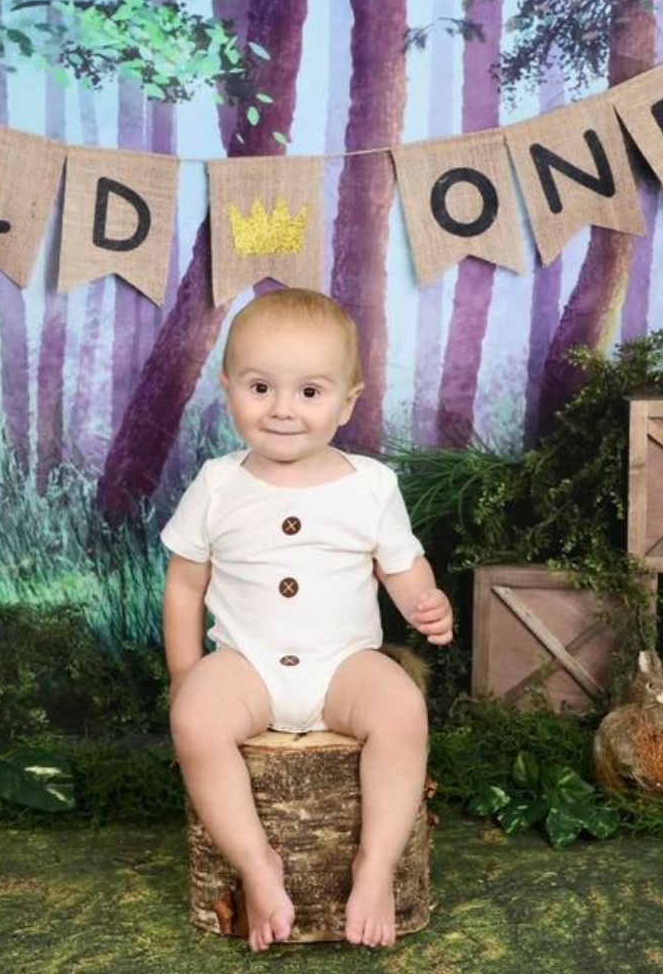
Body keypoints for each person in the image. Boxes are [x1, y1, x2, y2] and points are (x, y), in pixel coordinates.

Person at [162, 287, 453, 951]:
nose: (283, 410)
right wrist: (186, 674)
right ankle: (256, 863)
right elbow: (185, 584)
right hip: (248, 667)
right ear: (227, 387)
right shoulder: (217, 484)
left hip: (341, 666)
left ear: (349, 400)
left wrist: (423, 602)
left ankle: (374, 865)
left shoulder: (369, 484)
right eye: (261, 387)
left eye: (310, 392)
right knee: (195, 719)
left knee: (402, 708)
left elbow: (402, 568)